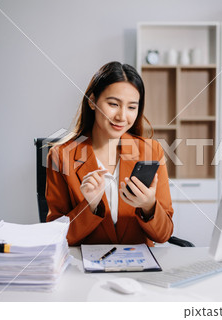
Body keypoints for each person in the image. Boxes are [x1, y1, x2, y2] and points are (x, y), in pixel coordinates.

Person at [45, 61, 174, 246]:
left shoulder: (151, 151)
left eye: (131, 107)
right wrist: (90, 207)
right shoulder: (60, 156)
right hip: (84, 270)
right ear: (92, 101)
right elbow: (56, 237)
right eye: (113, 104)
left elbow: (164, 235)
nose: (122, 116)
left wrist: (149, 206)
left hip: (137, 270)